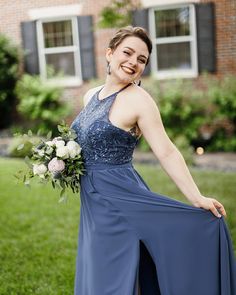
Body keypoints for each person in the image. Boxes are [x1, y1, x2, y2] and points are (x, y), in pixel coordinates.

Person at [71, 26, 236, 295]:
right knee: (99, 266)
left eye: (142, 59)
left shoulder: (139, 100)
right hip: (93, 201)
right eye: (128, 53)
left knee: (114, 272)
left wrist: (196, 198)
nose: (133, 62)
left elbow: (167, 151)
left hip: (120, 197)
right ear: (109, 53)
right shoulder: (90, 95)